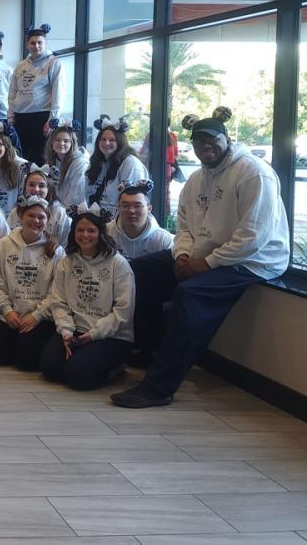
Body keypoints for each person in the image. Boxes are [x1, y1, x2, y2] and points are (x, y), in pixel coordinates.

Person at [112, 108, 289, 408]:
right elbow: (183, 227)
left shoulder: (253, 173)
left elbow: (253, 237)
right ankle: (148, 348)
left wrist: (205, 264)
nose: (206, 147)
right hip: (202, 256)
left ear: (227, 139)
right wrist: (182, 255)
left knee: (189, 294)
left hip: (253, 261)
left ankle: (158, 388)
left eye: (212, 141)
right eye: (199, 143)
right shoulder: (196, 179)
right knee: (132, 271)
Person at [41, 203, 134, 390]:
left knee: (78, 376)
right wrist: (66, 331)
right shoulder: (67, 262)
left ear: (101, 233)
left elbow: (123, 312)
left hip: (109, 335)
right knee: (49, 370)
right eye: (80, 230)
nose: (85, 235)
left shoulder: (118, 264)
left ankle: (116, 368)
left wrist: (94, 335)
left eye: (91, 231)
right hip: (75, 330)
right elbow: (58, 301)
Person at [0, 196, 63, 370]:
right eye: (31, 216)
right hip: (11, 314)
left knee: (25, 361)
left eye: (41, 217)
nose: (36, 221)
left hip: (39, 317)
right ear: (21, 216)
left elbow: (58, 290)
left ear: (47, 221)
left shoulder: (56, 251)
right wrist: (7, 311)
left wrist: (37, 315)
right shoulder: (4, 244)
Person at [9, 23, 63, 164]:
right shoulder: (20, 66)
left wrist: (53, 119)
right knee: (20, 158)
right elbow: (12, 93)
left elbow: (59, 93)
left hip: (42, 117)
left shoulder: (54, 63)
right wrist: (11, 117)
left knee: (41, 159)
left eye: (40, 42)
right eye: (33, 43)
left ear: (46, 43)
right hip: (20, 117)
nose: (36, 46)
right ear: (27, 45)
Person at [86, 115, 149, 216]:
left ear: (120, 142)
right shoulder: (98, 163)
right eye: (103, 139)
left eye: (112, 140)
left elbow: (131, 202)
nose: (107, 143)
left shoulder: (130, 164)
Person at [5, 165, 71, 247]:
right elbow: (8, 240)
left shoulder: (60, 213)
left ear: (49, 188)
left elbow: (65, 244)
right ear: (25, 188)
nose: (36, 189)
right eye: (31, 185)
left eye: (41, 186)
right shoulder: (15, 212)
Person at [110, 179, 173, 260]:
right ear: (118, 208)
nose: (131, 210)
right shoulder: (106, 232)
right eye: (125, 206)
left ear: (149, 209)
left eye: (137, 206)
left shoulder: (163, 240)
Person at [45, 120, 89, 207]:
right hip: (57, 209)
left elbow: (75, 197)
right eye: (58, 140)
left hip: (72, 211)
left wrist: (60, 213)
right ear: (52, 142)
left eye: (66, 141)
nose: (61, 144)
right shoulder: (52, 161)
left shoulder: (80, 163)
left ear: (72, 143)